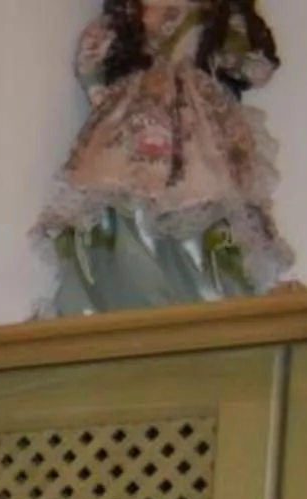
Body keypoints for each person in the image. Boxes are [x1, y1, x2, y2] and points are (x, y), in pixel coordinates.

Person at [37, 0, 291, 315]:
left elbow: (248, 63)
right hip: (134, 130)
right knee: (122, 201)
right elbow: (93, 68)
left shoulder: (213, 15)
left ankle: (201, 294)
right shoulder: (129, 18)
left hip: (198, 130)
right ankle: (134, 286)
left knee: (204, 203)